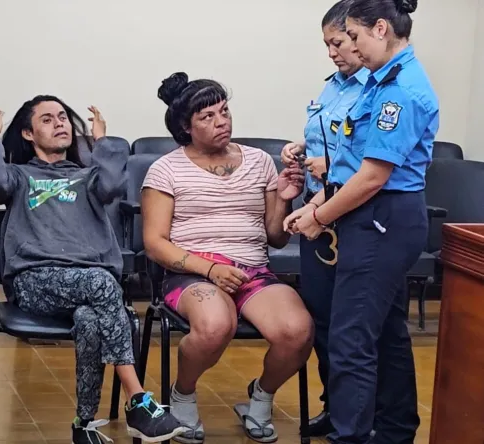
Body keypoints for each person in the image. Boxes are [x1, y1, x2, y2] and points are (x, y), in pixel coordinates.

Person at [0, 95, 188, 444]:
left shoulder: (89, 178)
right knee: (103, 284)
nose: (59, 123)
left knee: (90, 320)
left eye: (62, 117)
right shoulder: (20, 176)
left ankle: (83, 423)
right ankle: (137, 400)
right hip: (35, 280)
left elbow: (112, 185)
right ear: (28, 133)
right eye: (47, 119)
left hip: (90, 284)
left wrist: (102, 141)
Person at [284, 0, 437, 442]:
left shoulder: (399, 89)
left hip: (382, 216)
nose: (348, 46)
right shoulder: (382, 81)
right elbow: (349, 159)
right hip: (368, 212)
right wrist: (318, 203)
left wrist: (318, 216)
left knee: (351, 338)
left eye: (352, 36)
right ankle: (393, 431)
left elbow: (372, 177)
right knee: (384, 331)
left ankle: (349, 435)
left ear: (380, 29)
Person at [142, 72, 314, 444]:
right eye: (208, 117)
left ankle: (260, 398)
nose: (222, 121)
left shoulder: (259, 161)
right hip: (192, 272)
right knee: (216, 326)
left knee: (298, 331)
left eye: (224, 111)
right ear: (186, 127)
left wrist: (285, 199)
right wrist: (210, 269)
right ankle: (182, 394)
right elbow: (154, 243)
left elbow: (276, 237)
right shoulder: (166, 169)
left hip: (252, 271)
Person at [279, 0, 370, 437]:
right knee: (323, 319)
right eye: (327, 45)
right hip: (316, 214)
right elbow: (331, 137)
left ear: (358, 36)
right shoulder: (333, 87)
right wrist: (301, 148)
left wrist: (327, 172)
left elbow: (367, 166)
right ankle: (334, 406)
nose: (332, 53)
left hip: (350, 214)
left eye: (338, 43)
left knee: (355, 327)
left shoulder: (376, 90)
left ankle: (360, 417)